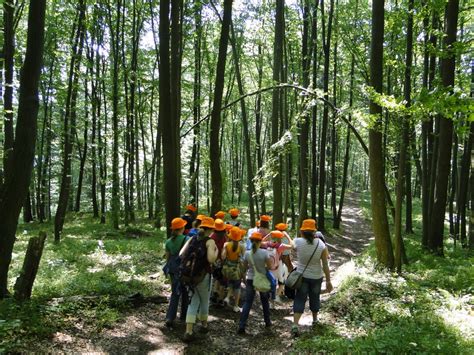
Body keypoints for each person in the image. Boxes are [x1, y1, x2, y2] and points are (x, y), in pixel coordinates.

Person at [291, 219, 333, 337]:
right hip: (316, 277)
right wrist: (328, 281)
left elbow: (291, 247)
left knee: (300, 298)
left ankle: (295, 325)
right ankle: (315, 320)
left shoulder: (298, 241)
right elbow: (325, 264)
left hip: (302, 276)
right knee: (315, 297)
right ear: (314, 231)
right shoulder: (321, 244)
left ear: (302, 231)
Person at [179, 217, 218, 342]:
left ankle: (188, 331)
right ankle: (204, 325)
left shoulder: (192, 238)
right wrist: (216, 252)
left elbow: (181, 254)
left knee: (193, 301)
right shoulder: (210, 241)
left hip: (189, 276)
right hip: (203, 276)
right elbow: (211, 259)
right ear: (211, 229)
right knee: (204, 300)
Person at [238, 232, 272, 334]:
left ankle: (242, 325)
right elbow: (269, 267)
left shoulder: (247, 253)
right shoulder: (265, 253)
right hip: (262, 279)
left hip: (250, 279)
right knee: (264, 301)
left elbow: (244, 268)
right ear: (260, 241)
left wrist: (243, 278)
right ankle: (267, 321)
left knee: (248, 302)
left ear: (251, 241)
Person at [164, 217, 189, 328]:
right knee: (185, 292)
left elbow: (168, 259)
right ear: (182, 228)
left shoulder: (168, 242)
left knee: (175, 293)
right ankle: (184, 316)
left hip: (173, 269)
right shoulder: (187, 239)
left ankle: (170, 317)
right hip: (183, 269)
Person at [262, 230, 293, 303]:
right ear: (280, 238)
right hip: (277, 267)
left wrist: (269, 234)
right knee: (281, 282)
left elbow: (260, 241)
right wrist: (287, 236)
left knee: (269, 282)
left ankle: (268, 298)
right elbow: (292, 246)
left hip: (268, 267)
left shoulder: (267, 244)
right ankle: (276, 296)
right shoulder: (280, 246)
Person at [221, 227, 245, 312]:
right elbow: (243, 259)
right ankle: (235, 305)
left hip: (228, 268)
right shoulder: (241, 246)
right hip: (236, 269)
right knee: (237, 287)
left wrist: (224, 249)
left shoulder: (226, 244)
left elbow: (223, 257)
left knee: (230, 283)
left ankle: (227, 297)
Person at [210, 219, 227, 305]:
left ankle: (214, 292)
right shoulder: (224, 237)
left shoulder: (211, 237)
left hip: (213, 260)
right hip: (222, 260)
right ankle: (220, 299)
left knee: (216, 277)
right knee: (222, 280)